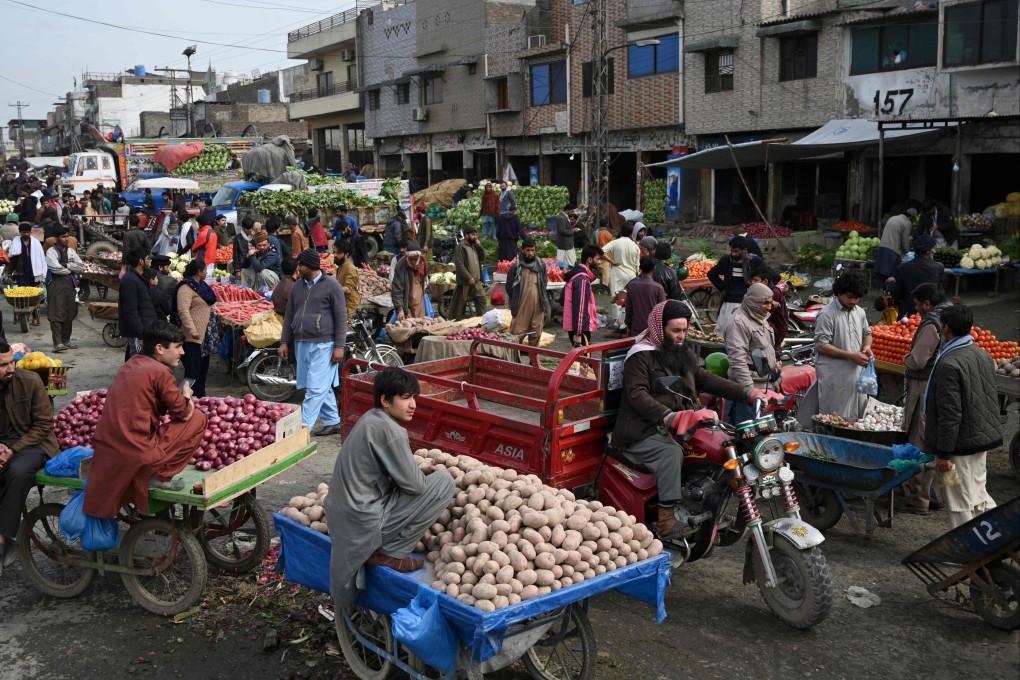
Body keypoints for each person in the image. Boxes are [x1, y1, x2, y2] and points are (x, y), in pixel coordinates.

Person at [612, 300, 770, 539]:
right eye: (676, 330)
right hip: (643, 429)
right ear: (659, 327)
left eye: (685, 330)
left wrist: (748, 393)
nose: (681, 336)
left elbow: (706, 379)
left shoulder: (682, 354)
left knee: (722, 443)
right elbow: (637, 394)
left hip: (681, 424)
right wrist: (670, 416)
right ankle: (666, 521)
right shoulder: (641, 356)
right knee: (671, 454)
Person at [324, 367, 456, 613]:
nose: (413, 405)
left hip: (344, 516)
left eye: (414, 397)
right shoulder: (391, 430)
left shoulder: (370, 418)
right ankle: (391, 552)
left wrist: (415, 472)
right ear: (385, 400)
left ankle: (381, 548)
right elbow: (416, 486)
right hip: (362, 521)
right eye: (406, 398)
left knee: (428, 479)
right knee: (444, 481)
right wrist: (420, 474)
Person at [83, 321, 209, 520]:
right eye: (177, 347)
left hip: (108, 447)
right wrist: (187, 394)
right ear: (159, 348)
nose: (182, 352)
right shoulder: (160, 371)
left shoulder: (131, 363)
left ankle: (153, 474)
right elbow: (184, 412)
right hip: (135, 451)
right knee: (198, 419)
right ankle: (159, 475)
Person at [923, 304, 1000, 529]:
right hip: (980, 437)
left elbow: (950, 414)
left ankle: (971, 549)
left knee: (959, 499)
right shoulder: (982, 354)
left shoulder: (948, 364)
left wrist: (943, 454)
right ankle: (1002, 536)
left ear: (945, 328)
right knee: (976, 493)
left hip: (960, 443)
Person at [0, 341, 59, 577]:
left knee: (18, 472)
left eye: (12, 362)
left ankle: (2, 541)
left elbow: (44, 425)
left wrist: (11, 449)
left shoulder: (30, 381)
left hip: (31, 444)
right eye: (3, 365)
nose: (11, 368)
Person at [280, 249, 348, 436]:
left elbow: (342, 317)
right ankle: (333, 421)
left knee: (316, 388)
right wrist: (284, 341)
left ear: (309, 266)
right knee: (317, 385)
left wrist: (339, 346)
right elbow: (288, 316)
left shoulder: (332, 286)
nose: (298, 268)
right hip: (302, 342)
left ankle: (302, 429)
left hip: (324, 343)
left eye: (300, 265)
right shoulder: (297, 286)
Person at [899, 283, 951, 514]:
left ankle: (919, 498)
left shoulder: (932, 322)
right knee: (934, 439)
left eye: (919, 305)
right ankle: (935, 495)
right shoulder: (949, 313)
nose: (917, 309)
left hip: (924, 384)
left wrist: (906, 359)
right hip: (941, 384)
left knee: (919, 439)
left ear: (927, 303)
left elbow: (918, 360)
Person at [814, 270, 872, 419]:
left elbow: (867, 334)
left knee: (857, 418)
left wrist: (866, 347)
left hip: (855, 376)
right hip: (835, 378)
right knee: (835, 419)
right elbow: (821, 345)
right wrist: (851, 355)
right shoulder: (827, 314)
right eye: (849, 297)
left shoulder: (859, 312)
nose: (853, 301)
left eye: (857, 298)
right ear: (839, 292)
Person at [723, 282, 779, 424]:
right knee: (750, 436)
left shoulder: (760, 317)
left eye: (770, 303)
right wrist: (750, 391)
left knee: (766, 435)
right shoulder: (738, 322)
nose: (769, 307)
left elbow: (767, 351)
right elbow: (737, 360)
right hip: (748, 389)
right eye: (765, 303)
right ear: (753, 302)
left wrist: (775, 378)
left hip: (765, 385)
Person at [174, 259, 219, 398]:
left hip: (204, 338)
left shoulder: (201, 285)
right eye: (205, 270)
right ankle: (180, 400)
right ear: (199, 272)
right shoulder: (186, 288)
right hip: (192, 338)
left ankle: (200, 400)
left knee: (202, 373)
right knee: (192, 374)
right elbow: (183, 311)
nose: (207, 272)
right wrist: (192, 330)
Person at [707, 236, 766, 337]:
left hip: (747, 303)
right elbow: (712, 274)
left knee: (742, 334)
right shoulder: (726, 260)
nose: (733, 254)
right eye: (732, 251)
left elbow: (769, 276)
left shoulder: (755, 261)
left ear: (744, 250)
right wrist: (723, 287)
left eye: (737, 251)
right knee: (723, 333)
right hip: (729, 301)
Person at [506, 237, 550, 362]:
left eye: (532, 250)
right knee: (517, 334)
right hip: (521, 307)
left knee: (535, 334)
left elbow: (544, 284)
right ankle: (514, 361)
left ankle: (534, 362)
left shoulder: (540, 265)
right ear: (522, 250)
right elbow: (509, 287)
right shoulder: (516, 267)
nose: (530, 253)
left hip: (538, 306)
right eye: (527, 250)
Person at [45, 226, 84, 352]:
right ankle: (58, 343)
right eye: (63, 237)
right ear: (56, 238)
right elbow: (55, 269)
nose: (66, 239)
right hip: (55, 285)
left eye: (67, 236)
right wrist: (71, 269)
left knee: (69, 312)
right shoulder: (51, 252)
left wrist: (67, 265)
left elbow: (80, 267)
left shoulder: (71, 251)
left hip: (70, 285)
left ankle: (66, 341)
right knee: (56, 313)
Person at [890, 235, 945, 318]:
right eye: (933, 248)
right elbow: (941, 294)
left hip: (908, 315)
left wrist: (891, 283)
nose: (935, 251)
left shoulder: (902, 268)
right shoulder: (939, 267)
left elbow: (897, 294)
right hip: (931, 314)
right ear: (928, 251)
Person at [119, 248, 158, 361]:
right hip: (137, 333)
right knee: (136, 362)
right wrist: (140, 334)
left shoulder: (138, 278)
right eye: (147, 258)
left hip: (143, 329)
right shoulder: (130, 280)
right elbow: (130, 312)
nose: (149, 261)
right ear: (141, 261)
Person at [7, 222, 46, 326]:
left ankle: (34, 317)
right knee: (22, 296)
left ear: (31, 232)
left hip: (34, 273)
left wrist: (43, 273)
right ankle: (22, 316)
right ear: (20, 232)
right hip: (21, 273)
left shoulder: (36, 243)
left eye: (28, 232)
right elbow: (11, 260)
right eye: (24, 232)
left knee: (34, 297)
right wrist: (9, 274)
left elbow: (41, 258)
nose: (26, 234)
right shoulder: (15, 243)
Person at [602, 228, 640, 333]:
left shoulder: (615, 242)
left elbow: (601, 251)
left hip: (617, 272)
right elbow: (637, 264)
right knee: (629, 299)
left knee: (615, 297)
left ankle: (616, 323)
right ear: (631, 233)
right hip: (631, 274)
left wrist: (612, 262)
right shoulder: (635, 245)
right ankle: (626, 322)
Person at [563, 245, 602, 347]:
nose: (600, 262)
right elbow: (580, 308)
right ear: (589, 260)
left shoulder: (577, 275)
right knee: (585, 361)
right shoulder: (582, 279)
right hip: (580, 329)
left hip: (576, 327)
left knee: (581, 361)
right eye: (598, 259)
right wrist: (578, 333)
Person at [449, 226, 487, 320]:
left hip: (477, 283)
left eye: (475, 234)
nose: (475, 237)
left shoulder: (475, 245)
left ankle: (482, 323)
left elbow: (483, 258)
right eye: (473, 235)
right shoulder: (460, 247)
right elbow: (460, 265)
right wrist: (469, 278)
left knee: (482, 301)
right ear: (466, 235)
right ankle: (457, 324)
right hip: (465, 283)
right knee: (458, 308)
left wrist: (480, 246)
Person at [623, 256, 666, 338]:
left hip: (636, 329)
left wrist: (628, 324)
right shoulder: (658, 288)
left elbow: (628, 309)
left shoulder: (632, 286)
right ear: (654, 268)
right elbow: (662, 311)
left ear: (640, 268)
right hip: (653, 331)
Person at [749, 266, 788, 351]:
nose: (752, 283)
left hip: (775, 330)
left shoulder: (773, 293)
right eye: (752, 280)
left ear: (765, 281)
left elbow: (763, 316)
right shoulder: (761, 292)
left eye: (755, 280)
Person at [875, 207, 917, 278]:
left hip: (882, 247)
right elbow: (904, 241)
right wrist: (907, 251)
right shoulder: (907, 222)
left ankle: (882, 288)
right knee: (892, 275)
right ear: (911, 217)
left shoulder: (893, 218)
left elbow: (883, 231)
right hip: (893, 250)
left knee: (882, 272)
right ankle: (889, 288)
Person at [390, 240, 427, 320]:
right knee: (408, 324)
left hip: (419, 301)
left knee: (420, 325)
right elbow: (397, 289)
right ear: (407, 257)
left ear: (419, 257)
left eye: (415, 259)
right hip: (406, 303)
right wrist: (400, 309)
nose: (413, 262)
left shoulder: (423, 263)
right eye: (411, 259)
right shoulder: (401, 265)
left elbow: (424, 281)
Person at [333, 239, 361, 320]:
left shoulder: (350, 268)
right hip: (343, 305)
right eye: (334, 252)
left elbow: (348, 289)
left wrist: (331, 290)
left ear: (346, 254)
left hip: (350, 308)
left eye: (338, 253)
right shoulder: (341, 266)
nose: (335, 255)